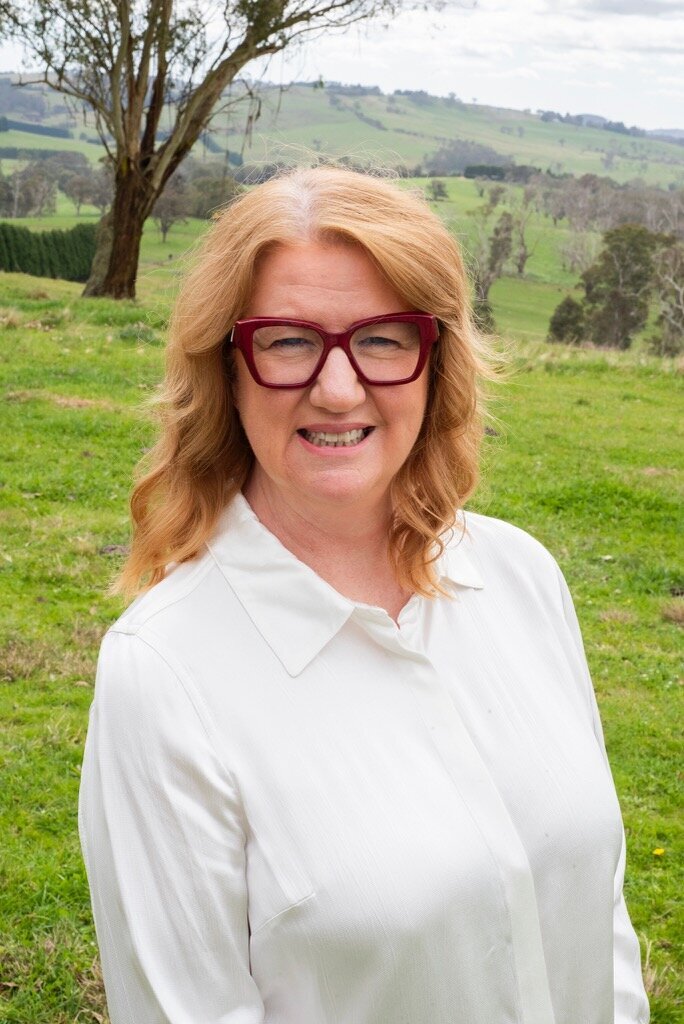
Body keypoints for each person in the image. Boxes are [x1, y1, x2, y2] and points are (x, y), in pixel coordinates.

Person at [79, 165, 649, 1024]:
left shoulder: (522, 576)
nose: (338, 388)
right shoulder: (164, 675)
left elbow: (597, 911)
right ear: (227, 367)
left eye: (383, 338)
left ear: (435, 362)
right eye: (288, 340)